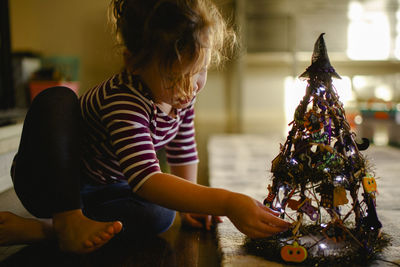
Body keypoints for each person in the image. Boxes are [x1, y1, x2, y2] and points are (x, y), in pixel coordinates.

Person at [0, 0, 290, 254]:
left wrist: (192, 205)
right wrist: (226, 202)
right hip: (51, 185)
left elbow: (183, 151)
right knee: (57, 98)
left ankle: (46, 231)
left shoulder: (181, 95)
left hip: (103, 192)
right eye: (174, 77)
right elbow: (147, 180)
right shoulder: (123, 100)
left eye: (199, 71)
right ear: (133, 63)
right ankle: (65, 221)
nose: (188, 90)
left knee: (162, 215)